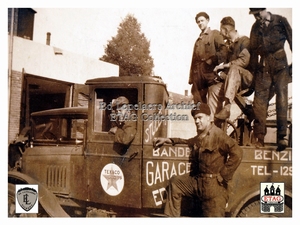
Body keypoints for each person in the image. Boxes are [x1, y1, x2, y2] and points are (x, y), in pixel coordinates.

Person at [153, 103, 243, 217]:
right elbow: (188, 141)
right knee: (176, 183)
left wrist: (223, 175)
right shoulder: (201, 136)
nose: (196, 121)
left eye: (200, 118)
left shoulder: (218, 135)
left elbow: (238, 153)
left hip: (214, 188)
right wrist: (169, 140)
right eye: (195, 119)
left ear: (209, 118)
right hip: (198, 182)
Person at [248, 8, 292, 151]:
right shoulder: (255, 27)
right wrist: (254, 75)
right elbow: (253, 52)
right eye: (253, 15)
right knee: (259, 101)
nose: (256, 17)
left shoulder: (280, 21)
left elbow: (294, 43)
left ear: (264, 10)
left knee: (282, 97)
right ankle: (259, 138)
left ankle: (282, 137)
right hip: (264, 67)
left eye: (257, 14)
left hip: (280, 65)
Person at [208, 16, 253, 121]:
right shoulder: (230, 46)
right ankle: (214, 123)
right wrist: (221, 73)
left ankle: (227, 107)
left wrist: (224, 66)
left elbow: (243, 61)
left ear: (226, 30)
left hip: (247, 80)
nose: (221, 34)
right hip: (233, 80)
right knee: (213, 89)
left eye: (221, 31)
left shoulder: (244, 41)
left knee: (234, 68)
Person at [189, 12, 227, 104]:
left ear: (207, 20)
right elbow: (193, 61)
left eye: (202, 20)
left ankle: (215, 118)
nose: (200, 23)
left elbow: (223, 51)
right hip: (198, 73)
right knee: (198, 99)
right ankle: (201, 118)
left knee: (213, 97)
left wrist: (212, 60)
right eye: (198, 22)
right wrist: (191, 78)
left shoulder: (215, 34)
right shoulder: (198, 41)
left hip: (210, 71)